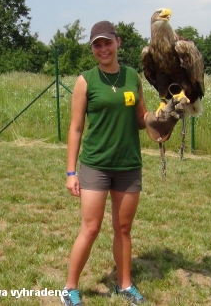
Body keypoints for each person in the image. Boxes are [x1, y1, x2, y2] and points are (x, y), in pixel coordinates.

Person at [61, 20, 148, 306]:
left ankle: (125, 285)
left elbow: (142, 120)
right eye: (97, 45)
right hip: (95, 165)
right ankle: (70, 288)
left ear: (118, 42)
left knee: (123, 229)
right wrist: (71, 171)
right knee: (91, 228)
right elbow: (75, 128)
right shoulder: (86, 80)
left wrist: (165, 117)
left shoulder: (133, 77)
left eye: (107, 42)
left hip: (128, 165)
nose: (103, 49)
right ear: (92, 49)